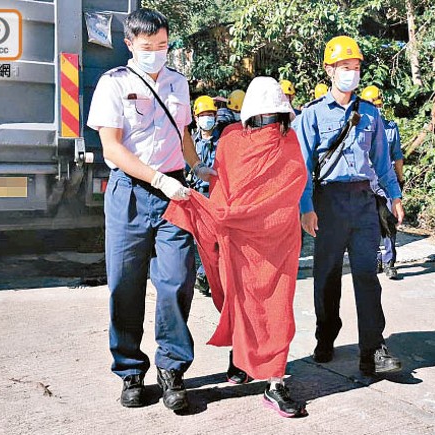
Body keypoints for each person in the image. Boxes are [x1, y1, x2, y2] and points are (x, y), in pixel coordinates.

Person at [86, 8, 215, 410]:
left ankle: (172, 369)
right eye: (147, 47)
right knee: (125, 285)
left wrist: (197, 167)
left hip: (175, 192)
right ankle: (130, 372)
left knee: (176, 282)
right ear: (129, 44)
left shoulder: (178, 82)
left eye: (162, 45)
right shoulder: (113, 84)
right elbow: (112, 147)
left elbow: (184, 132)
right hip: (130, 191)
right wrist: (157, 179)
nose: (156, 53)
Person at [164, 76, 308, 418]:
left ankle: (273, 380)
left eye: (275, 120)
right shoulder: (238, 143)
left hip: (272, 243)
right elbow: (227, 188)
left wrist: (215, 210)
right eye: (266, 120)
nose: (271, 126)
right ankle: (249, 366)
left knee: (271, 311)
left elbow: (291, 186)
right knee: (250, 305)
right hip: (250, 242)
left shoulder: (281, 144)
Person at [293, 35, 404, 376]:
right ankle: (325, 337)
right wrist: (306, 207)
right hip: (328, 201)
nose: (351, 74)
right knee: (326, 277)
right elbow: (302, 167)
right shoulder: (311, 116)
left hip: (363, 202)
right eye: (345, 67)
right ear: (329, 70)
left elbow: (382, 162)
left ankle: (373, 349)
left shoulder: (370, 114)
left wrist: (395, 196)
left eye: (355, 68)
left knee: (367, 277)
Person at [361, 85, 404, 280]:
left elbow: (397, 156)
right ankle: (375, 259)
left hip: (385, 182)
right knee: (369, 225)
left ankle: (389, 262)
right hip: (364, 183)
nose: (375, 108)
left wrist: (400, 180)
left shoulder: (391, 128)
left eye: (377, 104)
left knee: (389, 222)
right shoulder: (357, 129)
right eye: (372, 104)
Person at [190, 95, 223, 296]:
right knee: (201, 240)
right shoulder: (190, 143)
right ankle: (204, 275)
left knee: (217, 239)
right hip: (197, 196)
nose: (207, 119)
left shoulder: (224, 141)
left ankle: (210, 276)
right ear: (196, 118)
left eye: (210, 114)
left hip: (218, 196)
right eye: (203, 115)